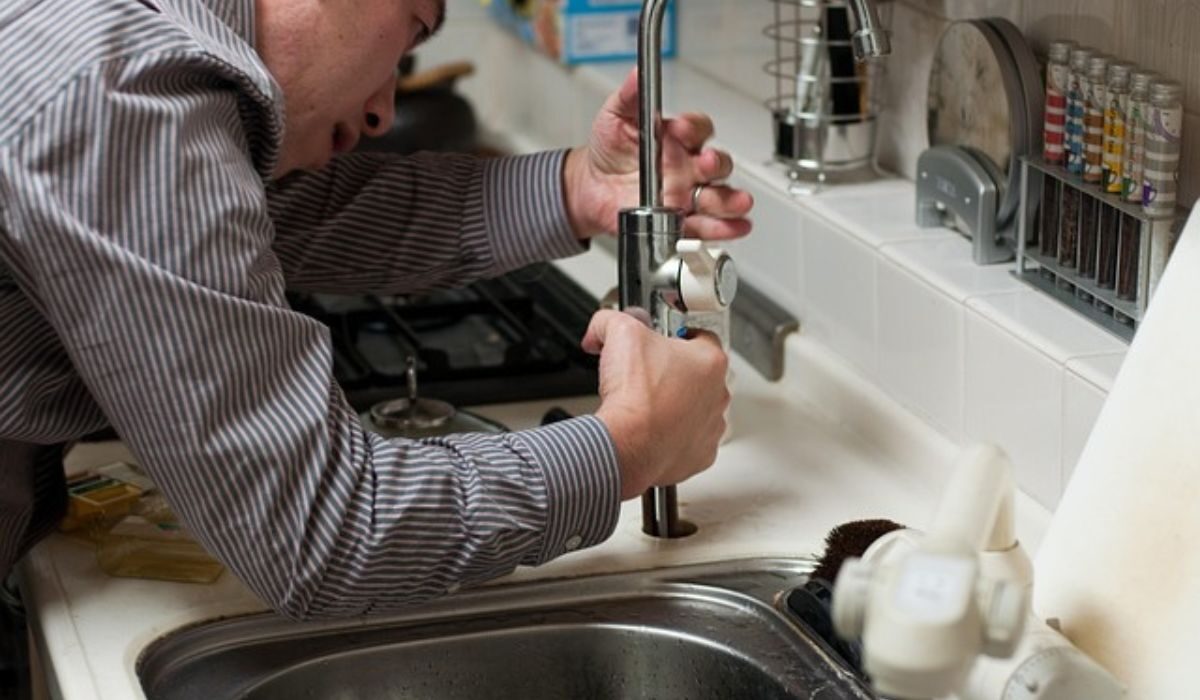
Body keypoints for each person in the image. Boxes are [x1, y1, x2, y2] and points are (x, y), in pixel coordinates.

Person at [0, 0, 754, 625]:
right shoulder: (123, 94)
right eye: (411, 33)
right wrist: (629, 444)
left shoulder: (125, 44)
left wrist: (579, 187)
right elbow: (323, 535)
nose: (382, 113)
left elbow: (300, 214)